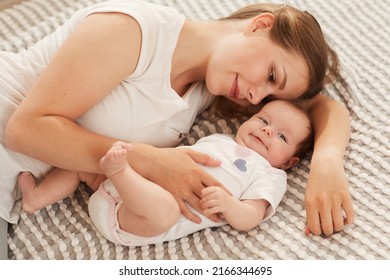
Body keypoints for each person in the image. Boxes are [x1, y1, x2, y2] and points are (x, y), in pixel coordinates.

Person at [0, 0, 354, 237]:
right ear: (261, 26)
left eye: (269, 96)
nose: (256, 97)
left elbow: (324, 108)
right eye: (272, 76)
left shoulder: (206, 89)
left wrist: (326, 161)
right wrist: (152, 161)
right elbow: (23, 129)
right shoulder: (133, 30)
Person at [17, 100, 314, 245]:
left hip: (137, 220)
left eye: (281, 137)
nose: (266, 130)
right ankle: (36, 198)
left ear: (289, 162)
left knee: (167, 210)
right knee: (85, 162)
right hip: (120, 187)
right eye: (264, 119)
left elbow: (251, 216)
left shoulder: (270, 175)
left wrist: (229, 205)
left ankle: (118, 171)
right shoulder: (220, 139)